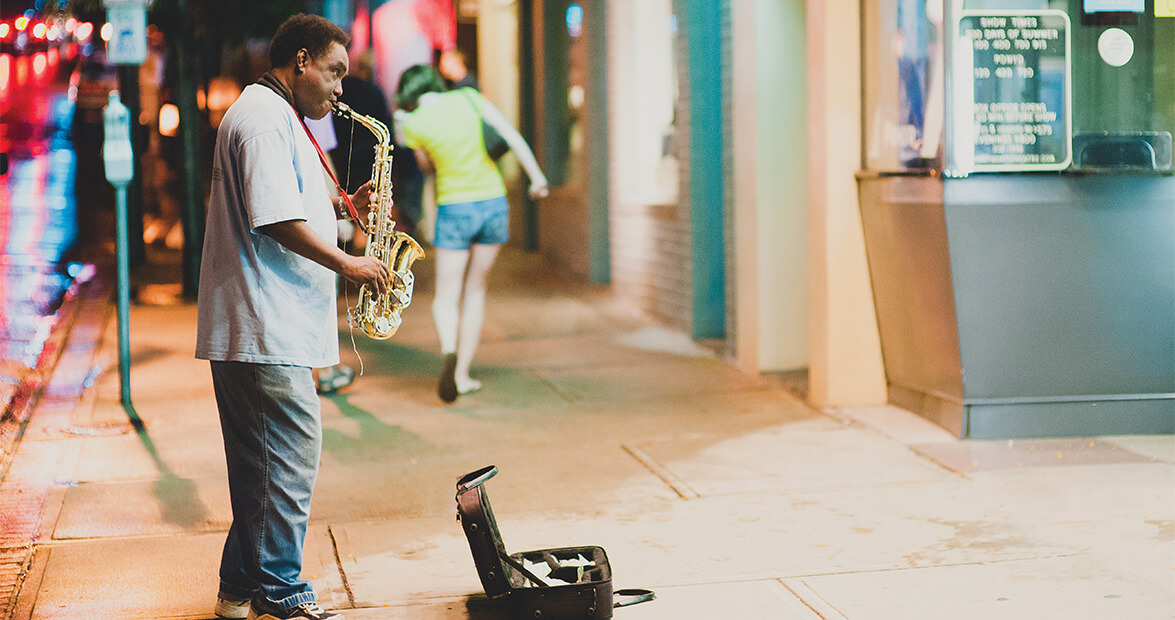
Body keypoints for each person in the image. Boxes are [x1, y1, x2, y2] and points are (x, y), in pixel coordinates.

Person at [195, 14, 390, 620]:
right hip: (262, 325)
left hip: (263, 324)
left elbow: (287, 198)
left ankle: (237, 591)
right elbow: (274, 219)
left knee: (260, 469)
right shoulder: (261, 119)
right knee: (292, 458)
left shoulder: (280, 116)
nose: (340, 89)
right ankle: (281, 593)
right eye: (334, 73)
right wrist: (349, 264)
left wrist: (339, 205)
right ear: (301, 60)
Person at [394, 64, 548, 402]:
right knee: (475, 290)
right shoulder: (468, 97)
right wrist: (536, 178)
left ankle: (448, 350)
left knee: (445, 297)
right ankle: (462, 374)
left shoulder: (414, 123)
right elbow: (510, 134)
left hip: (455, 208)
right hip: (493, 204)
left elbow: (426, 168)